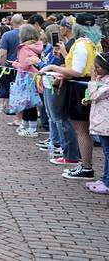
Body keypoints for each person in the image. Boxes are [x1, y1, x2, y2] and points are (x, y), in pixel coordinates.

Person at [39, 13, 102, 180]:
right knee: (85, 129)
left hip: (79, 88)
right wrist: (66, 55)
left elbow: (76, 71)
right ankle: (85, 165)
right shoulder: (95, 43)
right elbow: (81, 66)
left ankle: (86, 166)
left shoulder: (82, 43)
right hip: (91, 85)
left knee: (81, 130)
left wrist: (52, 67)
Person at [12, 24, 43, 137]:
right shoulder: (38, 45)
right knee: (31, 103)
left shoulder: (24, 48)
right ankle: (26, 125)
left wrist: (15, 64)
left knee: (28, 103)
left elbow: (24, 66)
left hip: (26, 78)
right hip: (35, 77)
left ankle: (31, 128)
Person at [85, 52, 109, 194]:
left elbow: (95, 94)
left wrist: (93, 79)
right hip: (102, 122)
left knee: (108, 152)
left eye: (98, 67)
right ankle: (105, 178)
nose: (95, 70)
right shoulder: (103, 79)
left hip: (106, 123)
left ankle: (107, 182)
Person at [0, 14, 23, 114]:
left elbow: (2, 54)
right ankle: (20, 110)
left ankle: (7, 106)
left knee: (6, 86)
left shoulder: (6, 35)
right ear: (22, 22)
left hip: (9, 66)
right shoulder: (27, 35)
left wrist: (2, 66)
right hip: (24, 67)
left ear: (11, 22)